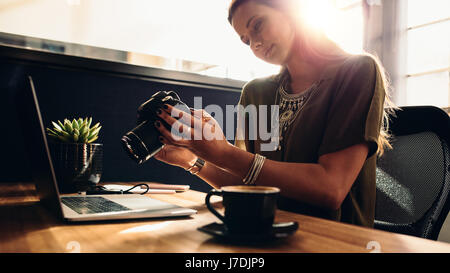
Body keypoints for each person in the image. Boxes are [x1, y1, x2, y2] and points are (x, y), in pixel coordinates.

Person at [153, 0, 395, 227]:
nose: (255, 44)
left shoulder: (357, 72)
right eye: (246, 41)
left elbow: (330, 188)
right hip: (268, 234)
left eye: (258, 24)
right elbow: (249, 184)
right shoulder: (257, 92)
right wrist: (193, 159)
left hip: (334, 241)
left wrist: (224, 152)